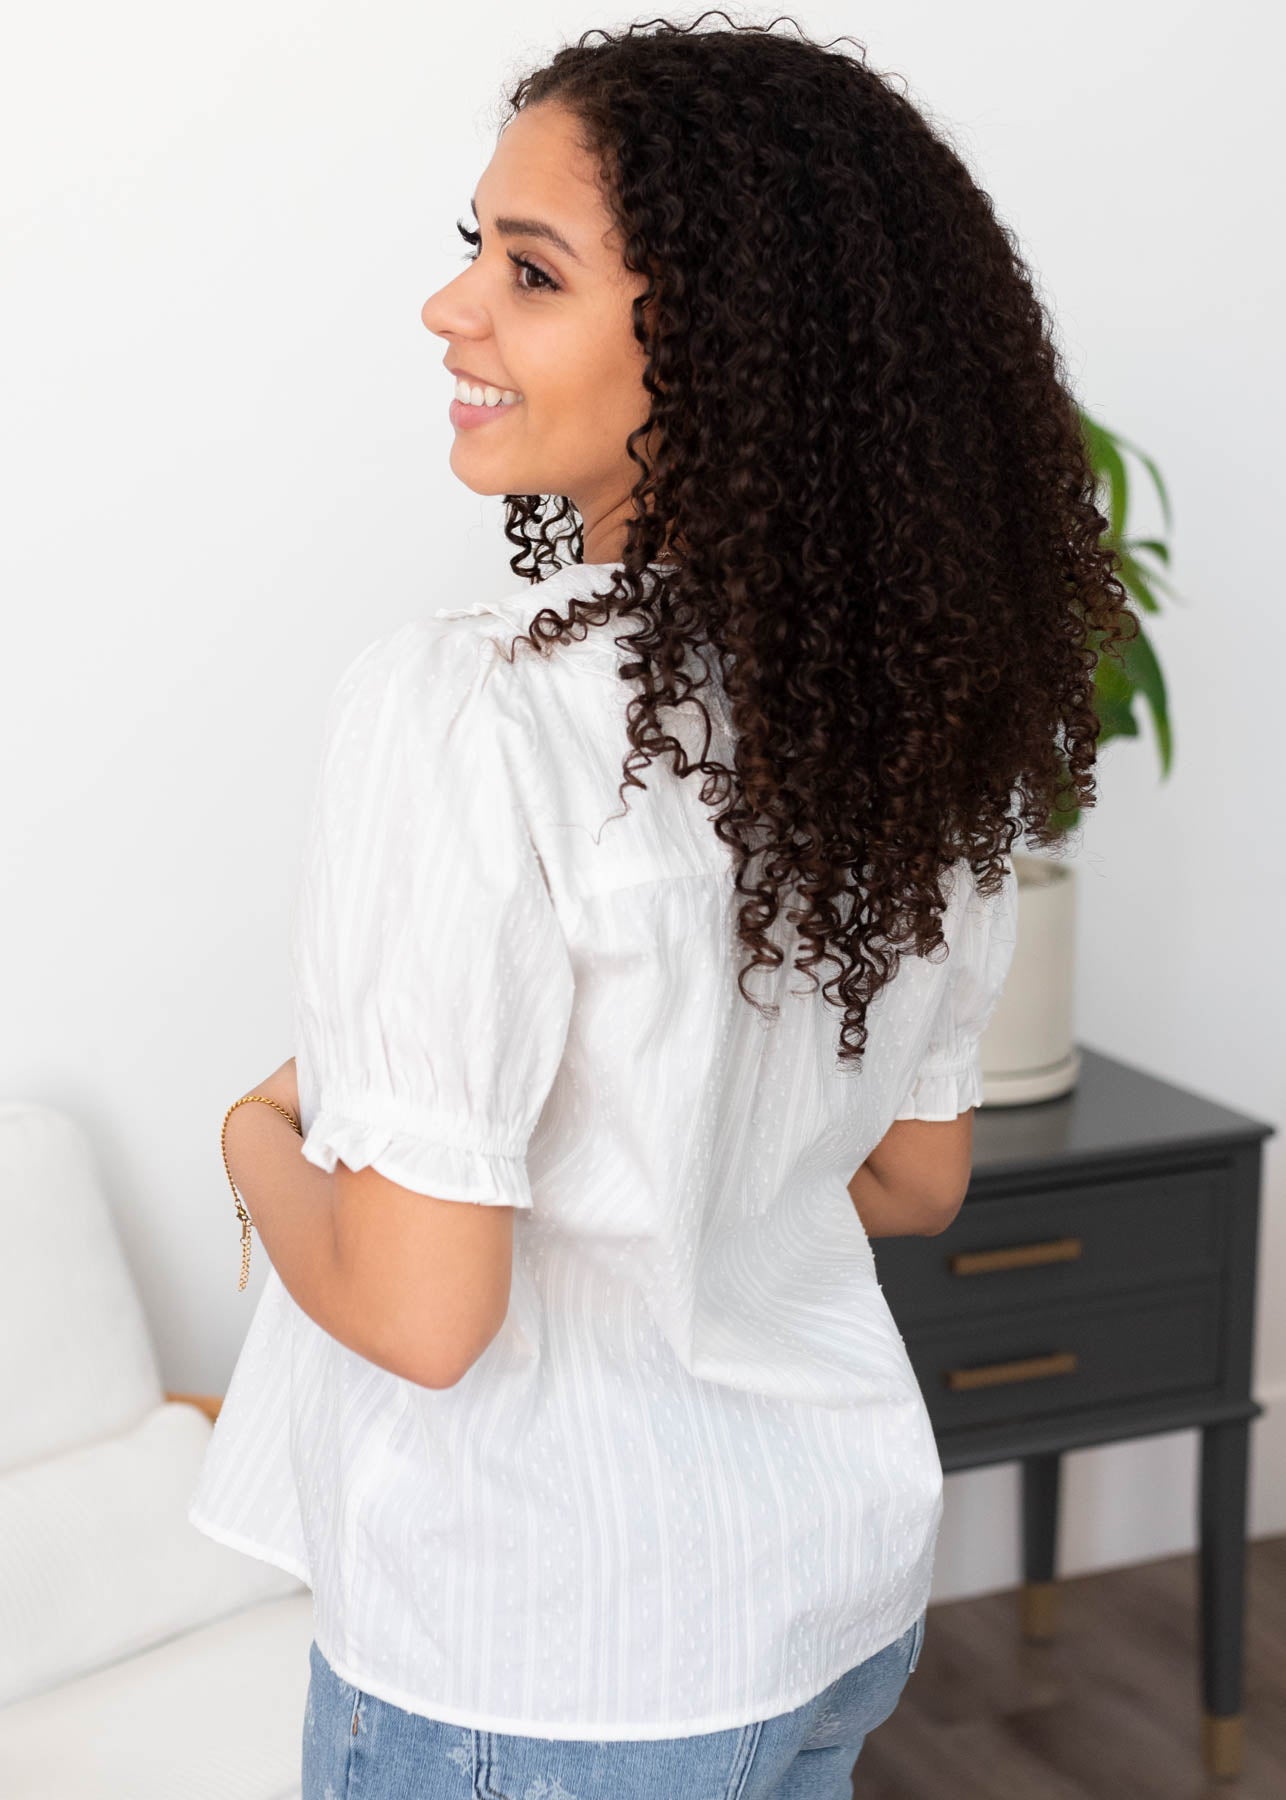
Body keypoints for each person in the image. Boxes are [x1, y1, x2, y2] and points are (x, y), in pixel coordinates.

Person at [189, 13, 1131, 1797]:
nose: (450, 309)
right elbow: (915, 1176)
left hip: (536, 1655)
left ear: (720, 352)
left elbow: (420, 1315)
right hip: (816, 1596)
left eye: (528, 271)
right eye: (471, 245)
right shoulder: (909, 705)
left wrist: (252, 1138)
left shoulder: (467, 712)